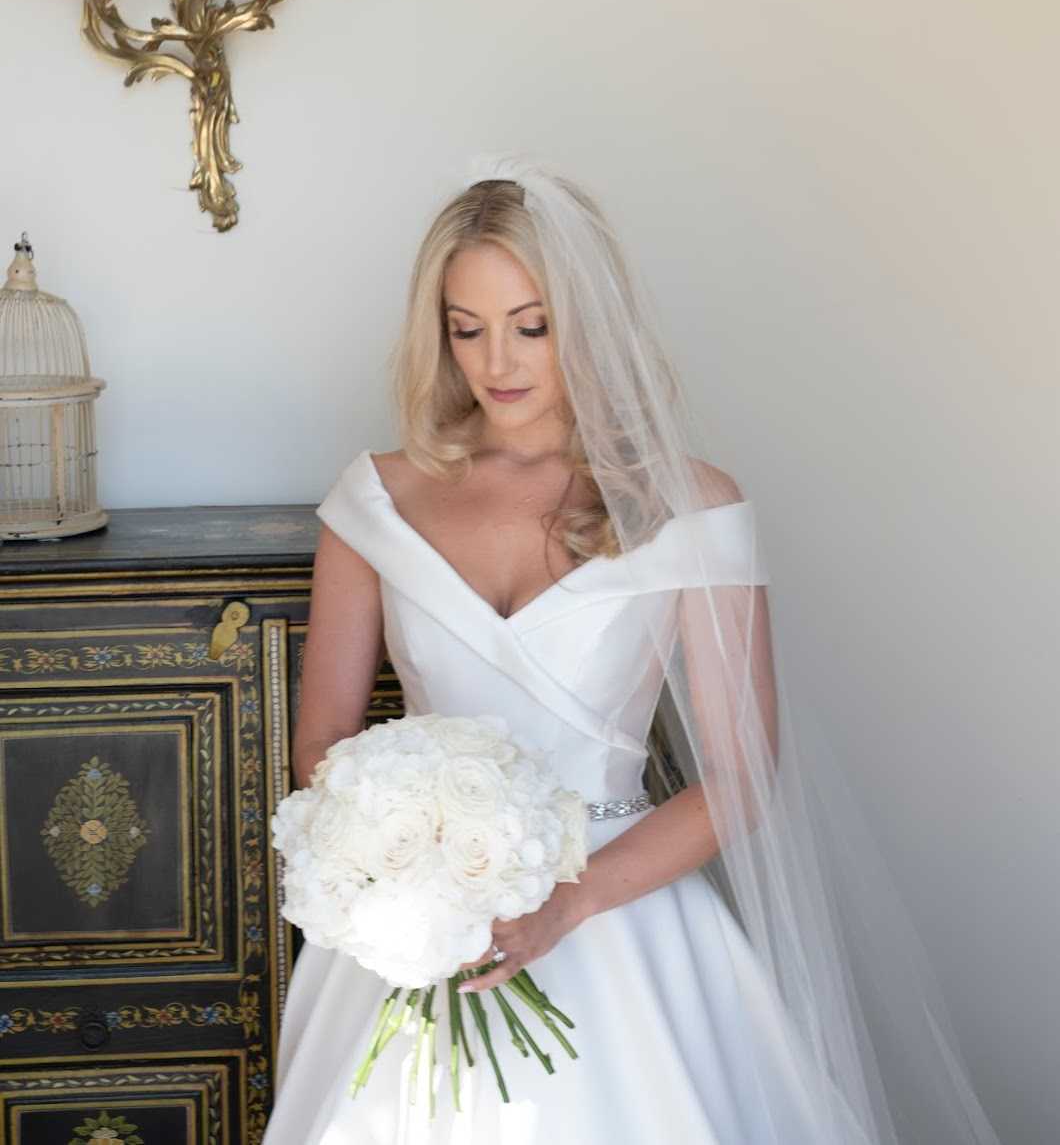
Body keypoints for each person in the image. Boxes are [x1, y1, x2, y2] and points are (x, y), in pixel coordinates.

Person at [262, 155, 1003, 1145]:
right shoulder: (373, 501)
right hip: (419, 925)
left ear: (589, 323)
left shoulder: (691, 505)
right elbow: (323, 741)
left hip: (621, 911)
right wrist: (417, 873)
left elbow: (741, 779)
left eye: (531, 326)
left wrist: (564, 908)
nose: (497, 362)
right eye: (467, 328)